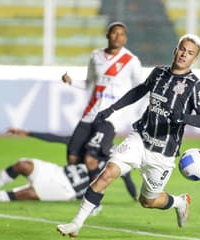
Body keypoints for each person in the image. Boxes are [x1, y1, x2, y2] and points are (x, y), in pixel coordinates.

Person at [56, 33, 200, 238]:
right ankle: (76, 224)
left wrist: (181, 117)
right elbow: (138, 92)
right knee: (107, 173)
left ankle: (180, 202)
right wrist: (111, 109)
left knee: (147, 201)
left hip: (163, 153)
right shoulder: (159, 73)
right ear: (175, 50)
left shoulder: (194, 85)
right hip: (140, 139)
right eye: (182, 49)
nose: (184, 54)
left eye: (190, 53)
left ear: (195, 59)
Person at [61, 21, 142, 186]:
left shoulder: (131, 61)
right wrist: (71, 82)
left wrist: (130, 114)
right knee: (72, 157)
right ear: (107, 35)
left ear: (125, 39)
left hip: (111, 117)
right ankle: (80, 189)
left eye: (122, 34)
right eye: (114, 33)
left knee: (91, 157)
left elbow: (141, 89)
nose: (118, 37)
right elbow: (89, 83)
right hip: (90, 113)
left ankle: (93, 195)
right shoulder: (95, 56)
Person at [6, 127, 138, 201]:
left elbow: (127, 179)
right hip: (65, 178)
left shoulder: (114, 154)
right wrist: (28, 132)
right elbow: (54, 138)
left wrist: (135, 196)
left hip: (74, 190)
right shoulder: (87, 143)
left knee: (28, 192)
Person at [0, 158, 91, 202]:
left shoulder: (109, 165)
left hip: (68, 190)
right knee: (22, 165)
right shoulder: (96, 144)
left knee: (26, 193)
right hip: (58, 172)